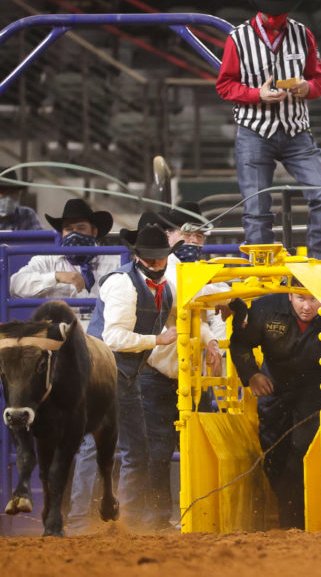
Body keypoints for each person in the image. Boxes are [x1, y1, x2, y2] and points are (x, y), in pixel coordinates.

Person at [226, 279, 321, 529]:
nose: (307, 306)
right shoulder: (264, 308)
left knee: (303, 450)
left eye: (313, 299)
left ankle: (303, 521)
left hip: (320, 390)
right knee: (273, 453)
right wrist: (252, 374)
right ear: (289, 297)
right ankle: (290, 515)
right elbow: (241, 342)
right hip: (275, 387)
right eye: (300, 298)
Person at [68, 222, 182, 533]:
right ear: (139, 257)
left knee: (133, 449)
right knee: (105, 448)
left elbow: (180, 308)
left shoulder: (163, 289)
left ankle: (122, 522)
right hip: (103, 372)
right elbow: (114, 337)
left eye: (161, 257)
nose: (157, 263)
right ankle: (83, 522)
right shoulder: (122, 284)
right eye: (152, 258)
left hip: (124, 375)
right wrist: (156, 341)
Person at [216, 0, 321, 260]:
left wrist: (307, 87)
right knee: (257, 209)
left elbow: (319, 80)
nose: (274, 17)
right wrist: (255, 94)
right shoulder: (238, 38)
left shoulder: (303, 34)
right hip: (254, 131)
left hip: (296, 131)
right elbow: (224, 85)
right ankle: (263, 276)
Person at [138, 203, 224, 530]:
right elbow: (185, 306)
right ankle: (156, 519)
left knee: (196, 447)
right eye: (187, 233)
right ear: (171, 235)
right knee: (157, 449)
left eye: (200, 234)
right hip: (157, 371)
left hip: (192, 374)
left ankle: (195, 516)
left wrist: (212, 341)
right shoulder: (160, 269)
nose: (194, 240)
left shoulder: (207, 269)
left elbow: (217, 301)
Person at [10, 198, 120, 329]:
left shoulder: (114, 261)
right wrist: (56, 276)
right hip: (59, 337)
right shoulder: (47, 260)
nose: (74, 234)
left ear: (94, 231)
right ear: (62, 233)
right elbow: (15, 285)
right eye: (68, 229)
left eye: (81, 228)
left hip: (102, 336)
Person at [0, 166, 43, 231]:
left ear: (18, 194)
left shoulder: (26, 215)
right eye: (2, 191)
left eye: (12, 192)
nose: (8, 197)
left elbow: (40, 239)